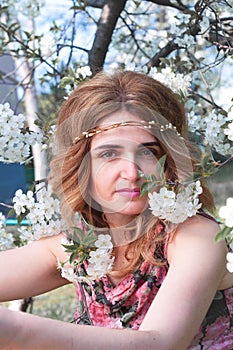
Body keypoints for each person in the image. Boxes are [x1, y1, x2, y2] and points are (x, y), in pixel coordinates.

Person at [0, 70, 233, 350]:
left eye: (148, 151)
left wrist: (16, 331)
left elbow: (160, 343)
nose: (132, 173)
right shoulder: (83, 246)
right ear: (81, 165)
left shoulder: (195, 236)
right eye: (109, 154)